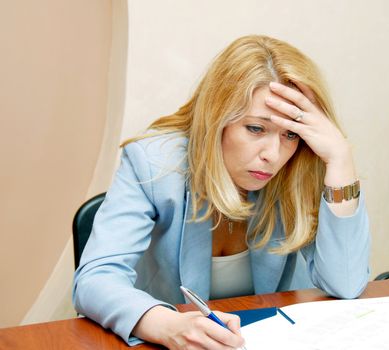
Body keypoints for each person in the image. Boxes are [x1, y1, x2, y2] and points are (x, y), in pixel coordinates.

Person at [73, 34, 370, 349]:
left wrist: (340, 159)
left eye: (291, 134)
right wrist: (167, 326)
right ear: (216, 119)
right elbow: (95, 281)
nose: (273, 153)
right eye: (256, 128)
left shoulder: (295, 168)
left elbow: (346, 284)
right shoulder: (154, 164)